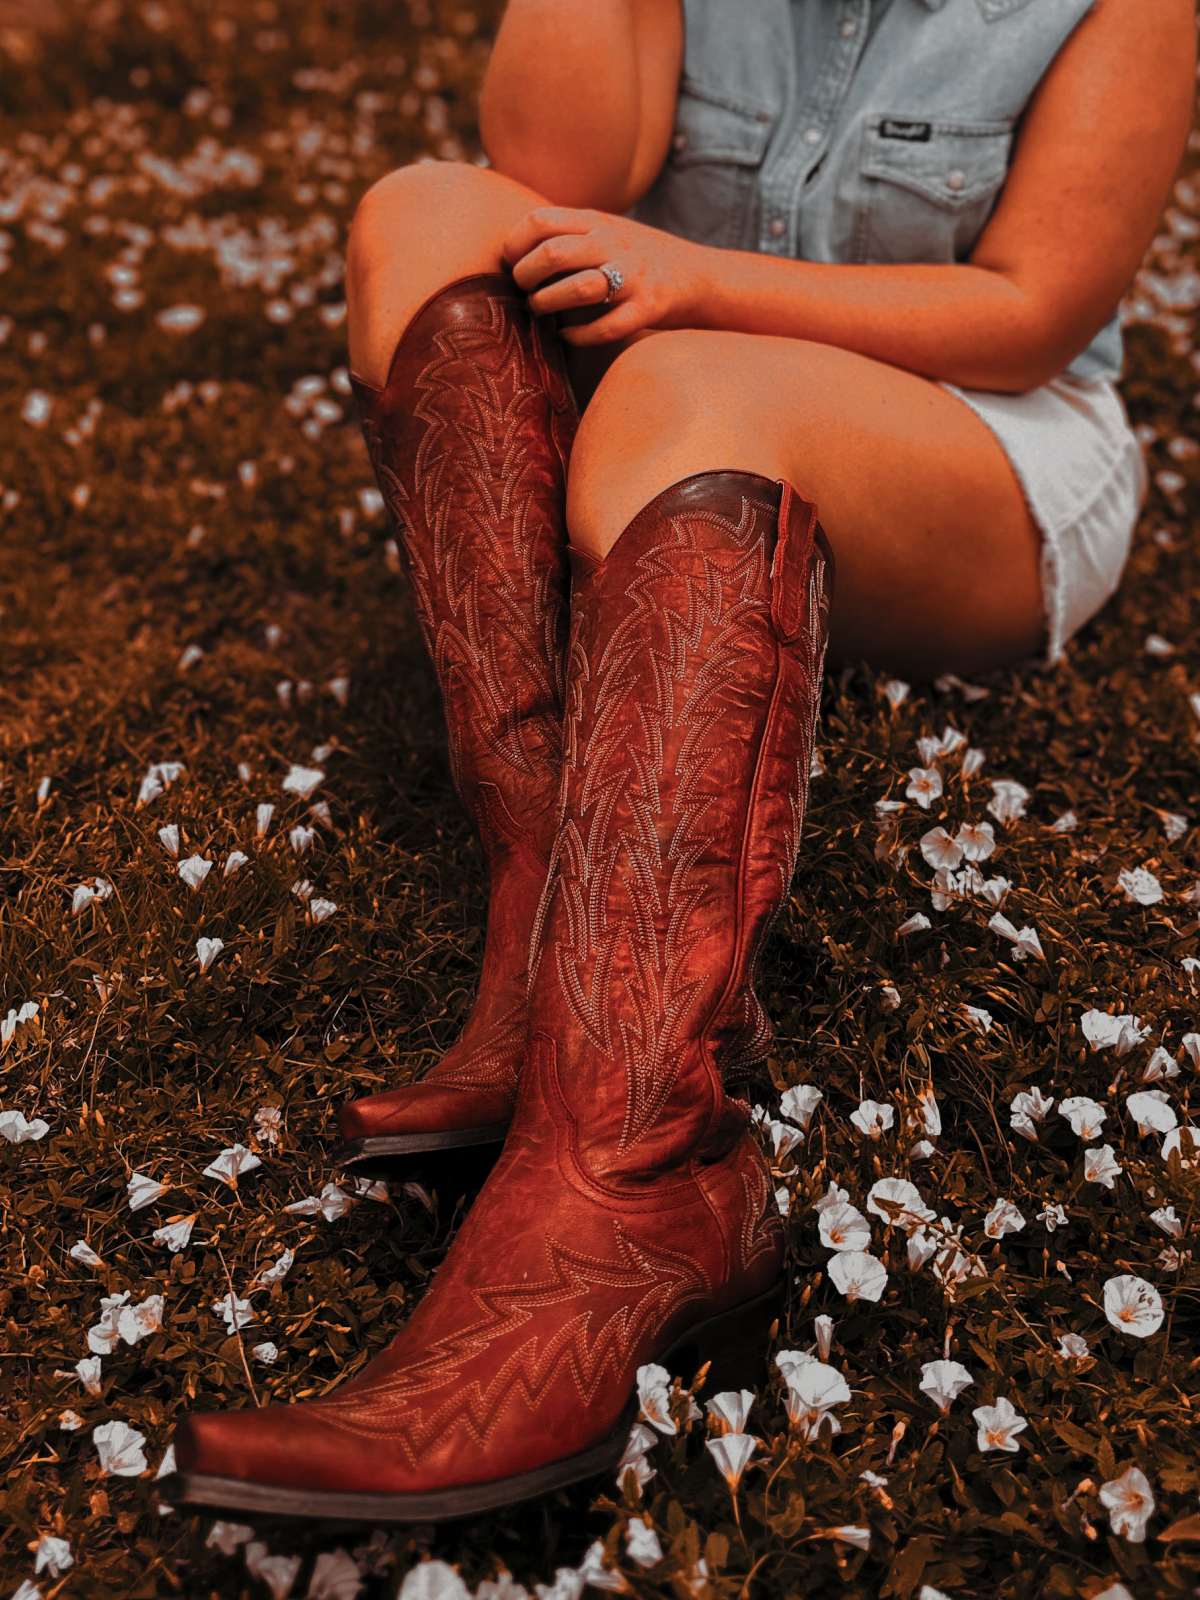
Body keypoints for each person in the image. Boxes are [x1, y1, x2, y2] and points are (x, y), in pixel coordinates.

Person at [170, 0, 1195, 1520]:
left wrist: (703, 283)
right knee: (426, 210)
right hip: (657, 409)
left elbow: (1033, 310)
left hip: (974, 446)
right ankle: (546, 928)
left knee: (683, 383)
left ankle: (637, 1177)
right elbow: (549, 165)